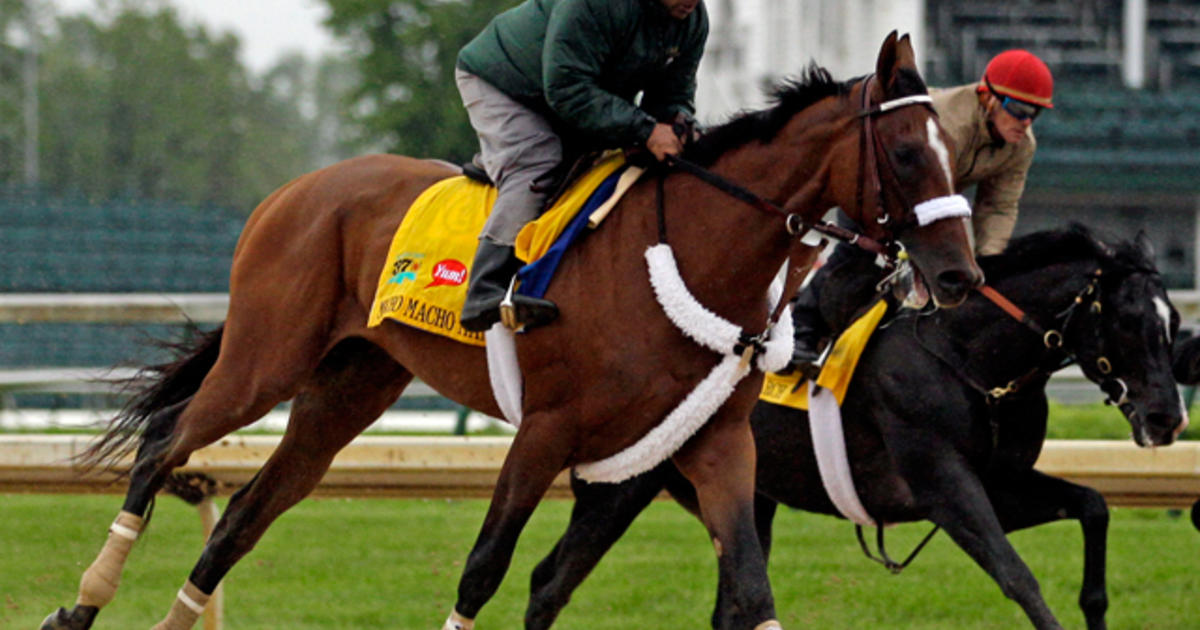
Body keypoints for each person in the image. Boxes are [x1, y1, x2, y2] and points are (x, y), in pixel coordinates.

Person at [454, 0, 709, 332]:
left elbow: (674, 95)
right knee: (538, 164)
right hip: (505, 85)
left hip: (569, 94)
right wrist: (646, 130)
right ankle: (485, 289)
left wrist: (679, 125)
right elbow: (566, 89)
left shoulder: (692, 20)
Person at [791, 49, 1055, 369]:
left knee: (960, 272)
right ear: (988, 97)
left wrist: (989, 265)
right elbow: (917, 187)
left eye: (1035, 114)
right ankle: (803, 329)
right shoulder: (948, 122)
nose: (1025, 123)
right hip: (879, 189)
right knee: (859, 257)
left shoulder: (1022, 146)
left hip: (929, 200)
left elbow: (998, 206)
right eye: (1018, 109)